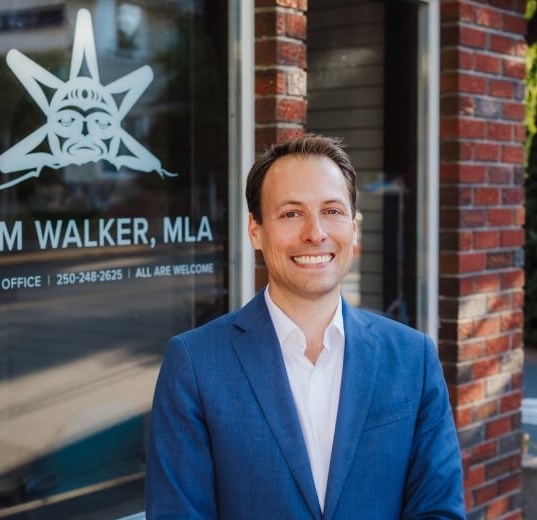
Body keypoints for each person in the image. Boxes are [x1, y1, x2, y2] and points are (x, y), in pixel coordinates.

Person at [145, 133, 465, 519]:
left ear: (354, 227)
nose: (316, 232)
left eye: (332, 210)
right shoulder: (195, 364)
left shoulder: (414, 358)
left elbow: (439, 510)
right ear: (256, 231)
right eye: (291, 213)